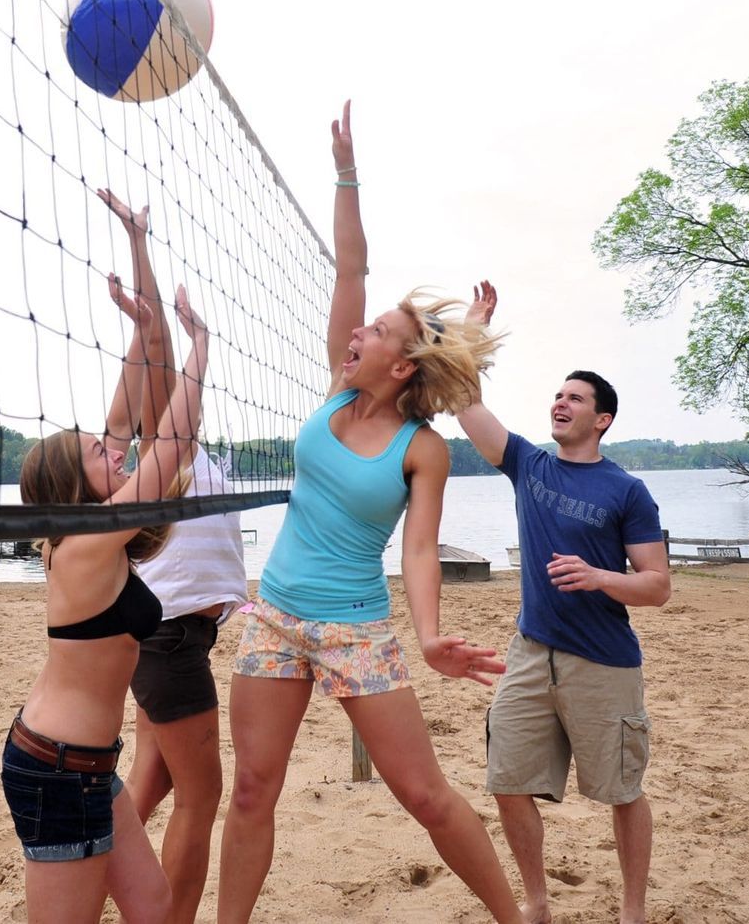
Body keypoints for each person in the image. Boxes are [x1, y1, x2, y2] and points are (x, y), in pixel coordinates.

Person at [217, 102, 523, 924]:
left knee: (424, 794)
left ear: (403, 361)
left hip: (357, 627)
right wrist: (346, 171)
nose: (357, 329)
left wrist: (427, 635)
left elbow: (419, 552)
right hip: (275, 614)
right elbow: (350, 263)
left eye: (377, 329)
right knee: (251, 789)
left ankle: (519, 914)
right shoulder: (336, 388)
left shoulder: (421, 446)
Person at [0, 189, 211, 924]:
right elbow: (171, 443)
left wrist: (149, 328)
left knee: (152, 905)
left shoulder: (90, 524)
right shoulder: (88, 540)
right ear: (75, 482)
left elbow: (128, 411)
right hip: (57, 766)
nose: (113, 448)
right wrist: (198, 348)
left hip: (90, 764)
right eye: (100, 452)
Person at [454, 283, 671, 924]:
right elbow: (466, 402)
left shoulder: (627, 490)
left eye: (575, 397)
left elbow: (657, 585)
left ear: (601, 419)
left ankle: (632, 909)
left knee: (622, 792)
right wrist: (473, 329)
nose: (560, 402)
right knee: (507, 782)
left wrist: (601, 577)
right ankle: (537, 901)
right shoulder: (528, 464)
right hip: (530, 652)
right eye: (557, 394)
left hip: (604, 661)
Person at [101, 192, 248, 924]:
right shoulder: (160, 452)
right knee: (203, 794)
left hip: (178, 631)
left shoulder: (192, 451)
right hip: (164, 633)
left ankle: (84, 890)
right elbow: (158, 347)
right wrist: (139, 246)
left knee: (150, 784)